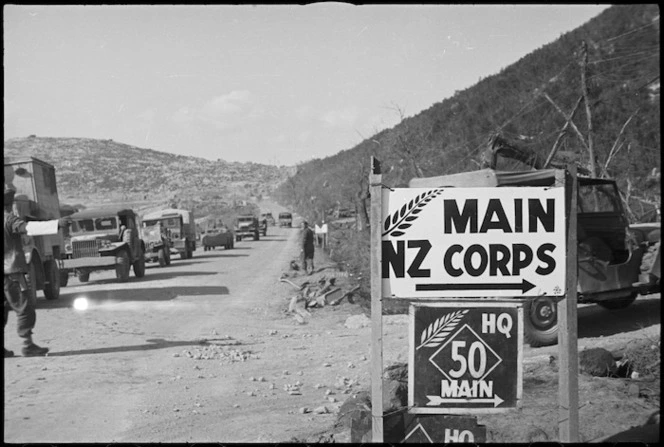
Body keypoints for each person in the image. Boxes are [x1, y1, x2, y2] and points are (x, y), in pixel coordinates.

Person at [4, 186, 49, 357]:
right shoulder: (9, 219)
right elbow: (28, 229)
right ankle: (27, 345)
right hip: (12, 271)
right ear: (9, 203)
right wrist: (55, 224)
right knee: (24, 307)